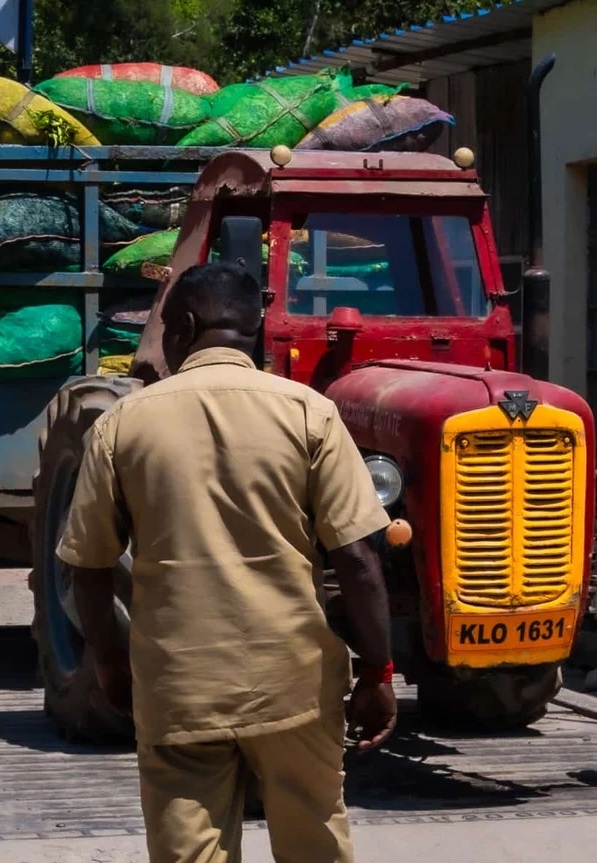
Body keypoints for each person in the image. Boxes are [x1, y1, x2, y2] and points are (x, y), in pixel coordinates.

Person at [57, 261, 397, 863]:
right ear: (254, 326)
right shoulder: (309, 413)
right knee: (315, 839)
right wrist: (376, 672)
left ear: (183, 326)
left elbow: (88, 565)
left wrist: (111, 664)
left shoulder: (122, 425)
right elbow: (358, 561)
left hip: (180, 688)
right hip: (295, 685)